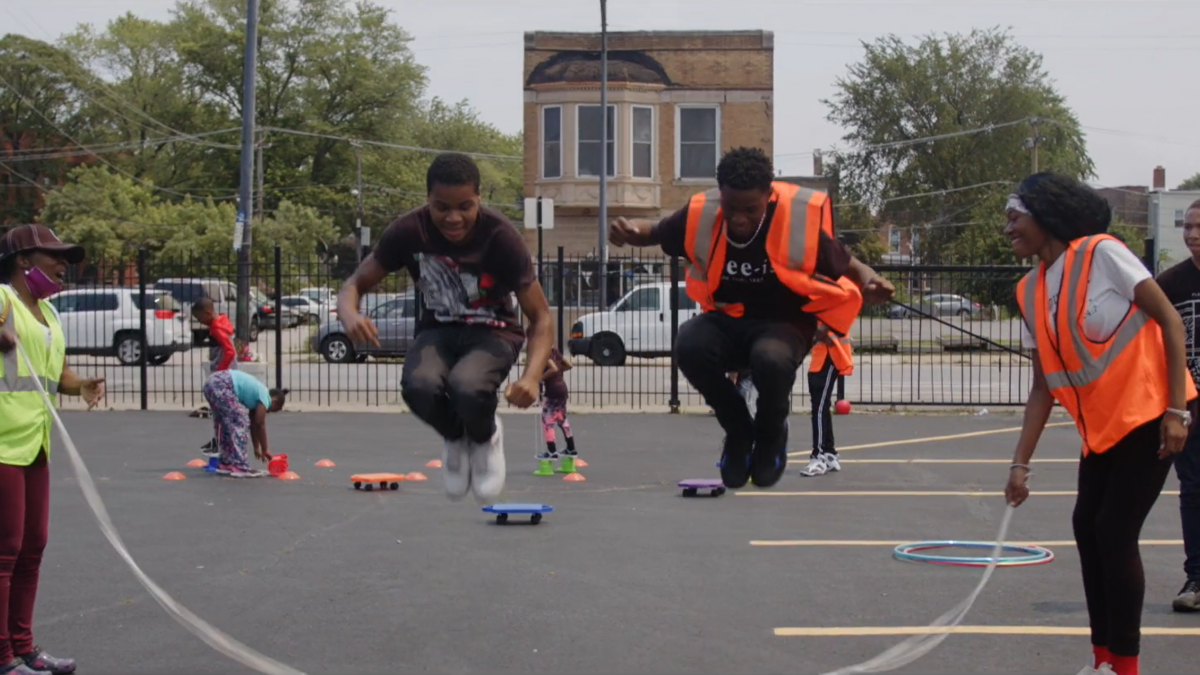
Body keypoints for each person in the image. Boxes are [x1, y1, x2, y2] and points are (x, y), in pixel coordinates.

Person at [1001, 173, 1197, 675]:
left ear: (1044, 215)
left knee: (1113, 530)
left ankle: (1125, 666)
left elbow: (1170, 322)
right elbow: (1043, 386)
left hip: (1151, 415)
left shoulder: (1102, 253)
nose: (1007, 228)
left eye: (1014, 215)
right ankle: (1102, 659)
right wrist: (1019, 465)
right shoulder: (1029, 290)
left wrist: (1176, 412)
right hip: (1103, 429)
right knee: (1086, 527)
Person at [609, 146, 893, 489]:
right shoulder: (703, 213)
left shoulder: (794, 224)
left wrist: (870, 279)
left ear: (769, 197)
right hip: (728, 320)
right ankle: (739, 430)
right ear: (720, 196)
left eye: (750, 210)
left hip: (783, 324)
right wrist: (630, 232)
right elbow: (653, 231)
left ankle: (772, 432)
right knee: (689, 343)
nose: (739, 219)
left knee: (768, 358)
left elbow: (848, 263)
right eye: (731, 208)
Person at [338, 153, 554, 503]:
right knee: (418, 387)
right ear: (428, 200)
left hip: (494, 332)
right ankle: (456, 437)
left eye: (465, 207)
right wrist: (349, 314)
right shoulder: (409, 230)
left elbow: (541, 316)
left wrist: (531, 376)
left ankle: (486, 438)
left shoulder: (500, 236)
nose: (453, 218)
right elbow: (355, 283)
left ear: (479, 199)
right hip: (437, 330)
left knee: (467, 386)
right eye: (442, 207)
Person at [0, 224, 105, 675]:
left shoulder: (50, 315)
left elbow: (55, 374)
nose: (63, 265)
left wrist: (80, 384)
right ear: (24, 261)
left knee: (32, 547)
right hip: (2, 442)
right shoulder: (2, 300)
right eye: (54, 256)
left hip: (35, 443)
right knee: (5, 550)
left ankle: (24, 648)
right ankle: (2, 657)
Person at [1153, 197, 1200, 613]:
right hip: (1190, 406)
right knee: (1194, 491)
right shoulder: (1170, 284)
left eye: (1199, 227)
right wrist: (1174, 408)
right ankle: (1197, 578)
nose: (1193, 234)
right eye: (1187, 226)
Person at [201, 369, 288, 478]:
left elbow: (253, 424)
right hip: (222, 384)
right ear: (274, 401)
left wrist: (257, 447)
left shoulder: (256, 398)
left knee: (226, 424)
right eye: (274, 409)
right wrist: (265, 449)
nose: (269, 411)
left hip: (211, 384)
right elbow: (260, 423)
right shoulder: (265, 396)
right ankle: (240, 466)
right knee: (240, 420)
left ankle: (226, 463)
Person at [801, 322, 853, 477]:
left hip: (831, 355)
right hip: (822, 357)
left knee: (819, 408)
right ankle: (829, 453)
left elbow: (825, 327)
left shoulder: (831, 302)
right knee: (820, 406)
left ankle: (819, 456)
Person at [191, 297, 238, 457]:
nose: (200, 322)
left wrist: (220, 372)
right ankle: (219, 440)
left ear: (208, 313)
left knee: (220, 410)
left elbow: (230, 351)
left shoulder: (217, 328)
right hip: (226, 373)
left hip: (223, 375)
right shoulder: (221, 323)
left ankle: (221, 442)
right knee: (220, 410)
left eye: (200, 318)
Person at [537, 346, 577, 462]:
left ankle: (551, 451)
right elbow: (568, 365)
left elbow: (553, 368)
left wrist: (540, 378)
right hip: (562, 388)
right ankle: (571, 448)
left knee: (547, 422)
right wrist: (559, 371)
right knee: (562, 420)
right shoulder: (553, 350)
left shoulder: (544, 351)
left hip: (553, 391)